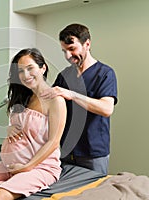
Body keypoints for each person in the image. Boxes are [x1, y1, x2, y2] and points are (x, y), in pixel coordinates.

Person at [0, 48, 67, 200]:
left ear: (43, 68)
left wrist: (27, 167)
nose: (25, 75)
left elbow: (53, 142)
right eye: (20, 71)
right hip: (12, 163)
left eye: (30, 68)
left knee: (0, 196)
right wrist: (10, 129)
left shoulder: (55, 100)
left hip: (40, 166)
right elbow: (26, 127)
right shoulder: (25, 97)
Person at [41, 23, 118, 175]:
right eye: (64, 51)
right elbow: (48, 105)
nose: (68, 56)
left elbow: (106, 109)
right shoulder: (65, 75)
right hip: (66, 151)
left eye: (72, 49)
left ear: (87, 44)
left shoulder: (105, 73)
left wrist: (72, 94)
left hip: (93, 153)